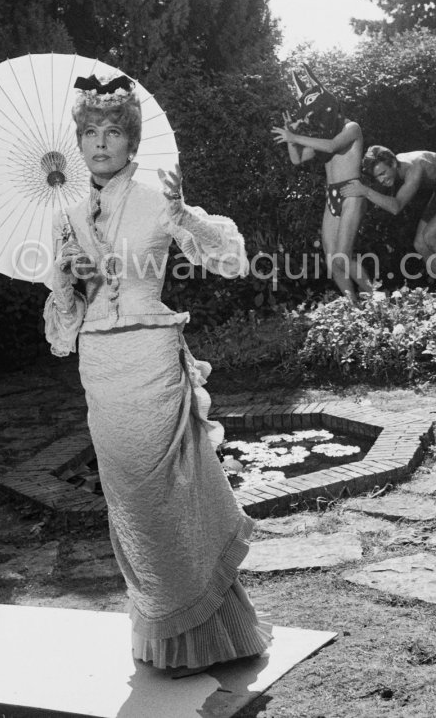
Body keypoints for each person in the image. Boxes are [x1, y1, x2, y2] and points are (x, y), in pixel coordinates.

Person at [44, 74, 271, 673]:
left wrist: (185, 219)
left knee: (169, 493)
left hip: (151, 359)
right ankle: (165, 630)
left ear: (131, 142)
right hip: (101, 367)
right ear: (78, 141)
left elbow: (230, 259)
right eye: (89, 132)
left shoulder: (154, 197)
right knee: (130, 502)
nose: (99, 144)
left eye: (111, 132)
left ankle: (207, 628)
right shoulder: (65, 214)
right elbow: (63, 332)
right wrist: (68, 281)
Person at [271, 64, 373, 301]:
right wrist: (290, 137)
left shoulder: (351, 128)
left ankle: (378, 300)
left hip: (351, 193)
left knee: (344, 255)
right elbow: (297, 159)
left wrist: (295, 136)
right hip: (333, 196)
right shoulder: (320, 136)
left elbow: (332, 147)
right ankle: (354, 308)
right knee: (332, 259)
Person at [343, 146, 436, 286]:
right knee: (420, 243)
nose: (381, 180)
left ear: (393, 164)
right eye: (377, 177)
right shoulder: (397, 164)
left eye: (383, 173)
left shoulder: (414, 168)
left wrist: (365, 191)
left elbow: (396, 206)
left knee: (431, 237)